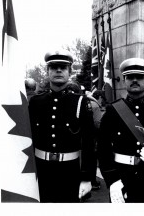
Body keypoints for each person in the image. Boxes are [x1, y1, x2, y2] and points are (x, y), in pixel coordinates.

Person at [97, 58, 144, 203]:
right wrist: (112, 181)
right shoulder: (113, 111)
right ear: (124, 81)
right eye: (130, 77)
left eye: (140, 77)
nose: (135, 80)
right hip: (123, 179)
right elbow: (102, 148)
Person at [28, 49, 95, 202]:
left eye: (63, 67)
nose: (58, 70)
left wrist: (86, 177)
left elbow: (89, 142)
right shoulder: (36, 102)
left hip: (70, 173)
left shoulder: (80, 102)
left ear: (69, 71)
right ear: (47, 71)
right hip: (41, 171)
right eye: (54, 67)